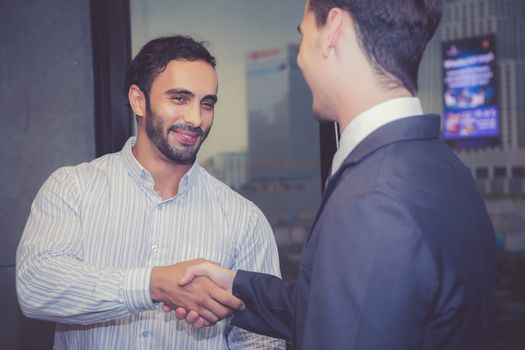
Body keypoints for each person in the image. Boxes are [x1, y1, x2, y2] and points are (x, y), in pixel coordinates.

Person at [175, 1, 497, 349]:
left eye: (304, 34)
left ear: (332, 30)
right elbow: (345, 310)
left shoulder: (373, 202)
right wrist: (233, 287)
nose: (300, 57)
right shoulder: (444, 166)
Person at [16, 35, 285, 350]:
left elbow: (261, 341)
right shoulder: (73, 189)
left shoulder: (244, 219)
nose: (196, 119)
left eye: (206, 103)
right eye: (179, 98)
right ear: (138, 100)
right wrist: (153, 284)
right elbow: (35, 287)